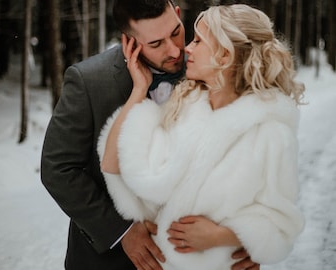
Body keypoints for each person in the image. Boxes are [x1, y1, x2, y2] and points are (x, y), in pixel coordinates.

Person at [41, 0, 259, 269]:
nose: (175, 50)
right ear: (129, 41)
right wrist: (120, 230)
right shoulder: (89, 82)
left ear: (178, 15)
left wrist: (243, 238)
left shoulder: (212, 68)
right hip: (109, 262)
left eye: (176, 32)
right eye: (156, 44)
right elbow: (58, 169)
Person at [98, 3, 305, 270]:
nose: (186, 48)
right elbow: (113, 165)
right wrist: (139, 90)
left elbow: (282, 224)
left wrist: (222, 237)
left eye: (198, 41)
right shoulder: (183, 107)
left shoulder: (271, 134)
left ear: (224, 55)